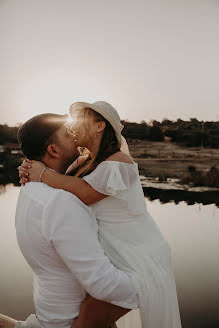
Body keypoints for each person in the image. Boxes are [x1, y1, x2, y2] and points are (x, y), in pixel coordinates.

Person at [20, 101, 182, 328]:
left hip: (137, 253)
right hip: (114, 249)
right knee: (96, 314)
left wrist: (43, 174)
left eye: (81, 119)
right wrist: (29, 168)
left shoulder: (119, 162)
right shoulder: (85, 161)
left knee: (90, 313)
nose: (74, 125)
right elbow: (64, 178)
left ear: (99, 126)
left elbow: (86, 193)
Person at [16, 113, 139, 328]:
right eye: (67, 133)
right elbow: (103, 284)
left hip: (51, 313)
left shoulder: (29, 189)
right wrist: (149, 284)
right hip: (73, 322)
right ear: (53, 150)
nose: (75, 135)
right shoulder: (60, 202)